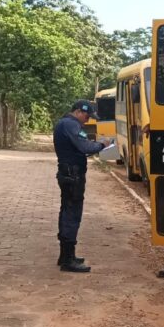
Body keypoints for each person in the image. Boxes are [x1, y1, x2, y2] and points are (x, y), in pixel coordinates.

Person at [54, 100, 112, 273]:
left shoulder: (64, 123)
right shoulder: (71, 125)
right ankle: (68, 260)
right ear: (79, 111)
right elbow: (84, 146)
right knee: (72, 214)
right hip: (73, 175)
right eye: (87, 116)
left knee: (66, 211)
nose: (87, 120)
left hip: (68, 173)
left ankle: (65, 255)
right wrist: (103, 144)